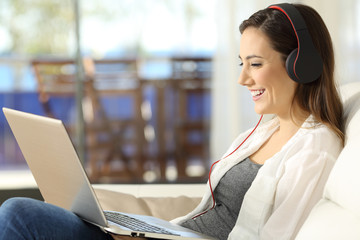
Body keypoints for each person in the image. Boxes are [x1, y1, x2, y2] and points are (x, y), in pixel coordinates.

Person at [0, 3, 344, 240]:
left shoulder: (315, 149)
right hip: (170, 232)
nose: (242, 80)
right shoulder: (263, 132)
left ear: (303, 65)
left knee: (17, 215)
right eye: (241, 63)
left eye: (254, 64)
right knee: (25, 214)